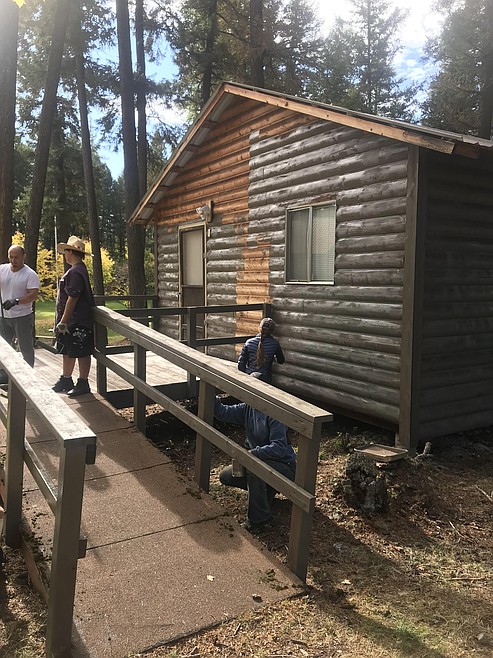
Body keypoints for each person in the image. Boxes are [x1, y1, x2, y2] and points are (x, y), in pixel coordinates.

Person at [214, 373, 296, 531]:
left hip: (284, 466)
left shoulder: (274, 413)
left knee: (254, 469)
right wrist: (211, 394)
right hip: (259, 461)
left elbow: (279, 447)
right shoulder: (248, 407)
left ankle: (260, 520)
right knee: (226, 476)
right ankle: (264, 494)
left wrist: (252, 454)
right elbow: (223, 413)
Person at [52, 236, 95, 398]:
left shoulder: (76, 272)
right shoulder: (76, 270)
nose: (64, 254)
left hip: (78, 320)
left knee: (81, 351)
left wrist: (63, 321)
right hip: (72, 321)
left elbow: (73, 298)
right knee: (68, 349)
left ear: (70, 252)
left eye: (66, 251)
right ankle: (66, 379)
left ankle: (83, 382)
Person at [0, 244, 40, 383]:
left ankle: (28, 376)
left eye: (16, 257)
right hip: (3, 316)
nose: (13, 260)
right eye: (11, 257)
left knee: (25, 347)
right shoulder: (2, 269)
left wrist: (16, 301)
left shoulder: (30, 274)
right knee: (3, 347)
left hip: (22, 316)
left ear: (24, 257)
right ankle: (4, 373)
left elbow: (33, 295)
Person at [237, 317, 285, 383]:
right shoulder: (275, 344)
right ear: (272, 330)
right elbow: (281, 361)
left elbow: (241, 365)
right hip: (265, 379)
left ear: (259, 328)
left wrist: (245, 376)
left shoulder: (249, 342)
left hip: (249, 377)